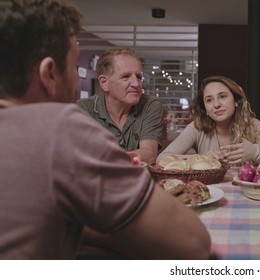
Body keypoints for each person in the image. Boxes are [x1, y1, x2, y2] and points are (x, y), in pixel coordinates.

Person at [0, 0, 210, 259]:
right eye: (74, 67)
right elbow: (193, 242)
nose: (78, 79)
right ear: (49, 74)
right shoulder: (60, 127)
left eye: (139, 77)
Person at [157, 75, 260, 165]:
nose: (216, 104)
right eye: (209, 100)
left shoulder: (253, 125)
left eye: (222, 96)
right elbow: (162, 159)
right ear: (205, 109)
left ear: (236, 101)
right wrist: (201, 158)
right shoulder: (197, 127)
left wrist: (255, 151)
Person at [78, 48, 164, 164]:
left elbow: (149, 154)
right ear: (104, 83)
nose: (136, 84)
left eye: (138, 77)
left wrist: (107, 161)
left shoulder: (150, 105)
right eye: (126, 77)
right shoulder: (83, 110)